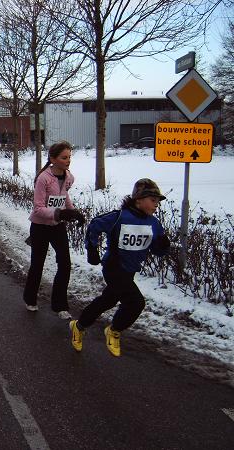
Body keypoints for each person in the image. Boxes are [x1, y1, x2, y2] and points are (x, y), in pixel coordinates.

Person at [69, 178, 170, 357]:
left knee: (108, 300)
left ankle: (79, 326)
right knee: (136, 303)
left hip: (130, 270)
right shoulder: (119, 217)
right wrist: (92, 249)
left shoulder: (154, 223)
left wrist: (163, 246)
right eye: (153, 200)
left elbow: (157, 250)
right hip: (113, 267)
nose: (156, 205)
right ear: (138, 200)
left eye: (158, 201)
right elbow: (95, 224)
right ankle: (114, 331)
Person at [23, 140, 85, 319]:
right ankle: (30, 298)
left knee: (65, 264)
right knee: (38, 264)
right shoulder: (43, 178)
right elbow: (38, 208)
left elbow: (64, 196)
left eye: (69, 157)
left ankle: (60, 306)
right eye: (64, 157)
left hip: (57, 227)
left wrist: (74, 212)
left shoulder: (69, 177)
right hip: (40, 227)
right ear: (53, 159)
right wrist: (60, 214)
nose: (68, 160)